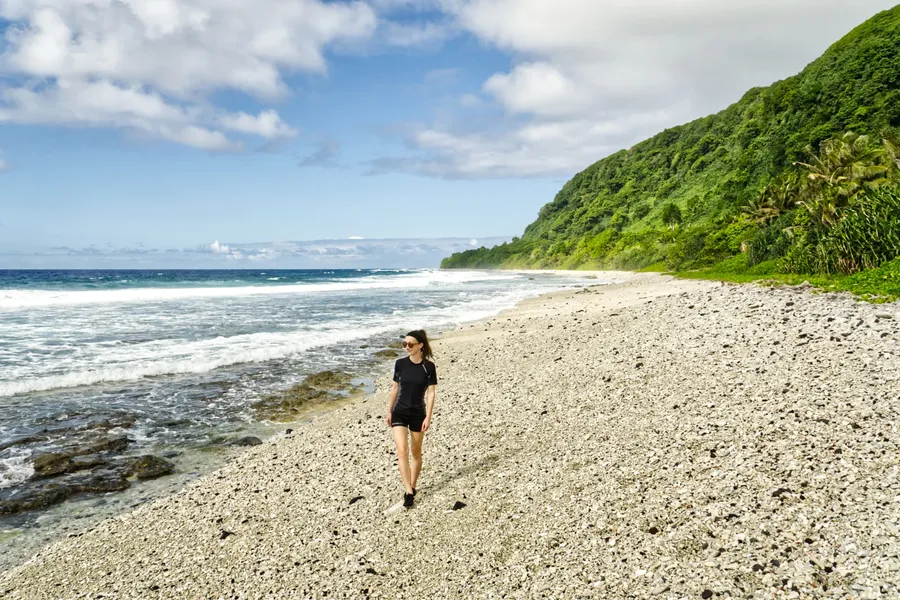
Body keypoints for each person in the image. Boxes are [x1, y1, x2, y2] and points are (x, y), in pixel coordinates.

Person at [386, 330, 437, 508]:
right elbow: (394, 388)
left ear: (420, 345)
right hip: (399, 411)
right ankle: (408, 491)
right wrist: (389, 411)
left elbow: (431, 393)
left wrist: (428, 417)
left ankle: (413, 485)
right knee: (402, 450)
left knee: (416, 453)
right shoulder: (400, 364)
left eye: (410, 344)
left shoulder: (428, 367)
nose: (407, 347)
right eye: (404, 344)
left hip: (418, 414)